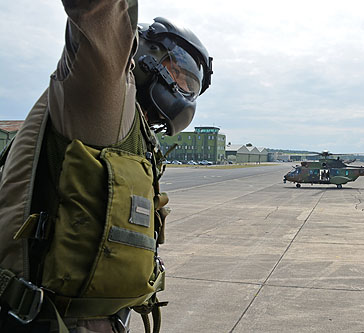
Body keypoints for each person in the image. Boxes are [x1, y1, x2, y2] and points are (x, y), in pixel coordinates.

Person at [0, 0, 213, 332]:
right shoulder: (103, 93)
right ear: (141, 52)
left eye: (191, 83)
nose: (183, 88)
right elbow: (101, 12)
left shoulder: (133, 129)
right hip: (51, 321)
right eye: (176, 70)